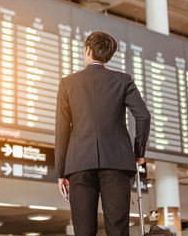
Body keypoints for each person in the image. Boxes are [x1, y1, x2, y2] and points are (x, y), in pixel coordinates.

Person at [55, 31, 151, 236]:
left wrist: (61, 172)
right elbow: (143, 116)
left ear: (88, 50)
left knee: (83, 230)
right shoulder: (123, 80)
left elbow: (62, 129)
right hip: (117, 163)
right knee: (117, 229)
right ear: (108, 56)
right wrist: (138, 152)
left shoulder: (67, 83)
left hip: (79, 164)